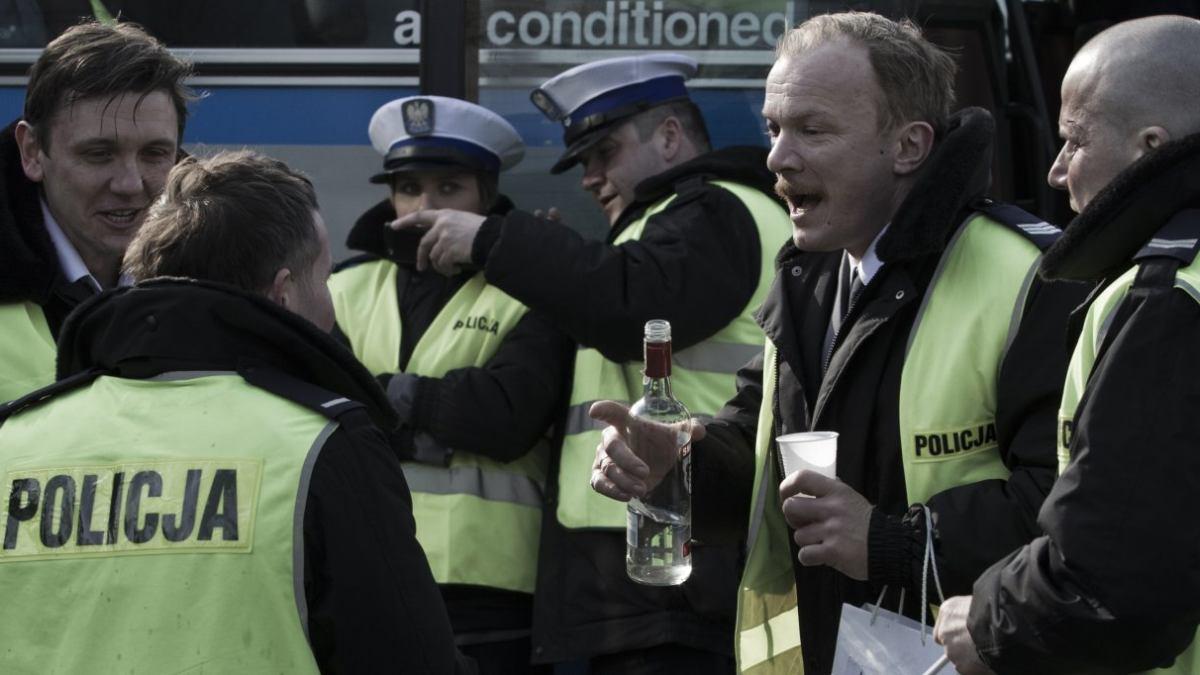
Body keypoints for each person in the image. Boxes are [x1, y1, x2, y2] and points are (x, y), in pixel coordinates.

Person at [587, 12, 1088, 675]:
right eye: (774, 128)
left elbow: (1075, 515)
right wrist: (678, 464)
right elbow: (759, 457)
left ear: (908, 147)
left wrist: (890, 541)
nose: (777, 157)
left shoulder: (1032, 275)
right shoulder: (808, 275)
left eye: (812, 129)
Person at [0, 150, 474, 674]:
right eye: (324, 278)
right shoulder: (323, 444)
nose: (332, 304)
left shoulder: (14, 441)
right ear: (284, 293)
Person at [394, 54, 793, 671]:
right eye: (583, 162)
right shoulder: (666, 226)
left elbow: (629, 304)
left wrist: (493, 240)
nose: (589, 177)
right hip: (648, 578)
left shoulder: (716, 210)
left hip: (683, 575)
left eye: (604, 153)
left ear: (669, 137)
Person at [934, 15, 1200, 675]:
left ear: (1148, 147)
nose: (1054, 171)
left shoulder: (1164, 297)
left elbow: (1114, 582)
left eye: (1074, 141)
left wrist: (989, 620)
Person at [327, 95, 570, 673]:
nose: (423, 207)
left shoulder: (534, 286)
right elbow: (317, 410)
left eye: (448, 188)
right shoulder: (342, 286)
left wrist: (380, 409)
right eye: (408, 187)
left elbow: (503, 420)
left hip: (491, 589)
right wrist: (438, 416)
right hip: (366, 570)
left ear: (485, 196)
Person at [0, 20, 192, 403]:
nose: (130, 184)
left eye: (154, 154)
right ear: (32, 152)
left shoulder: (225, 265)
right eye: (98, 154)